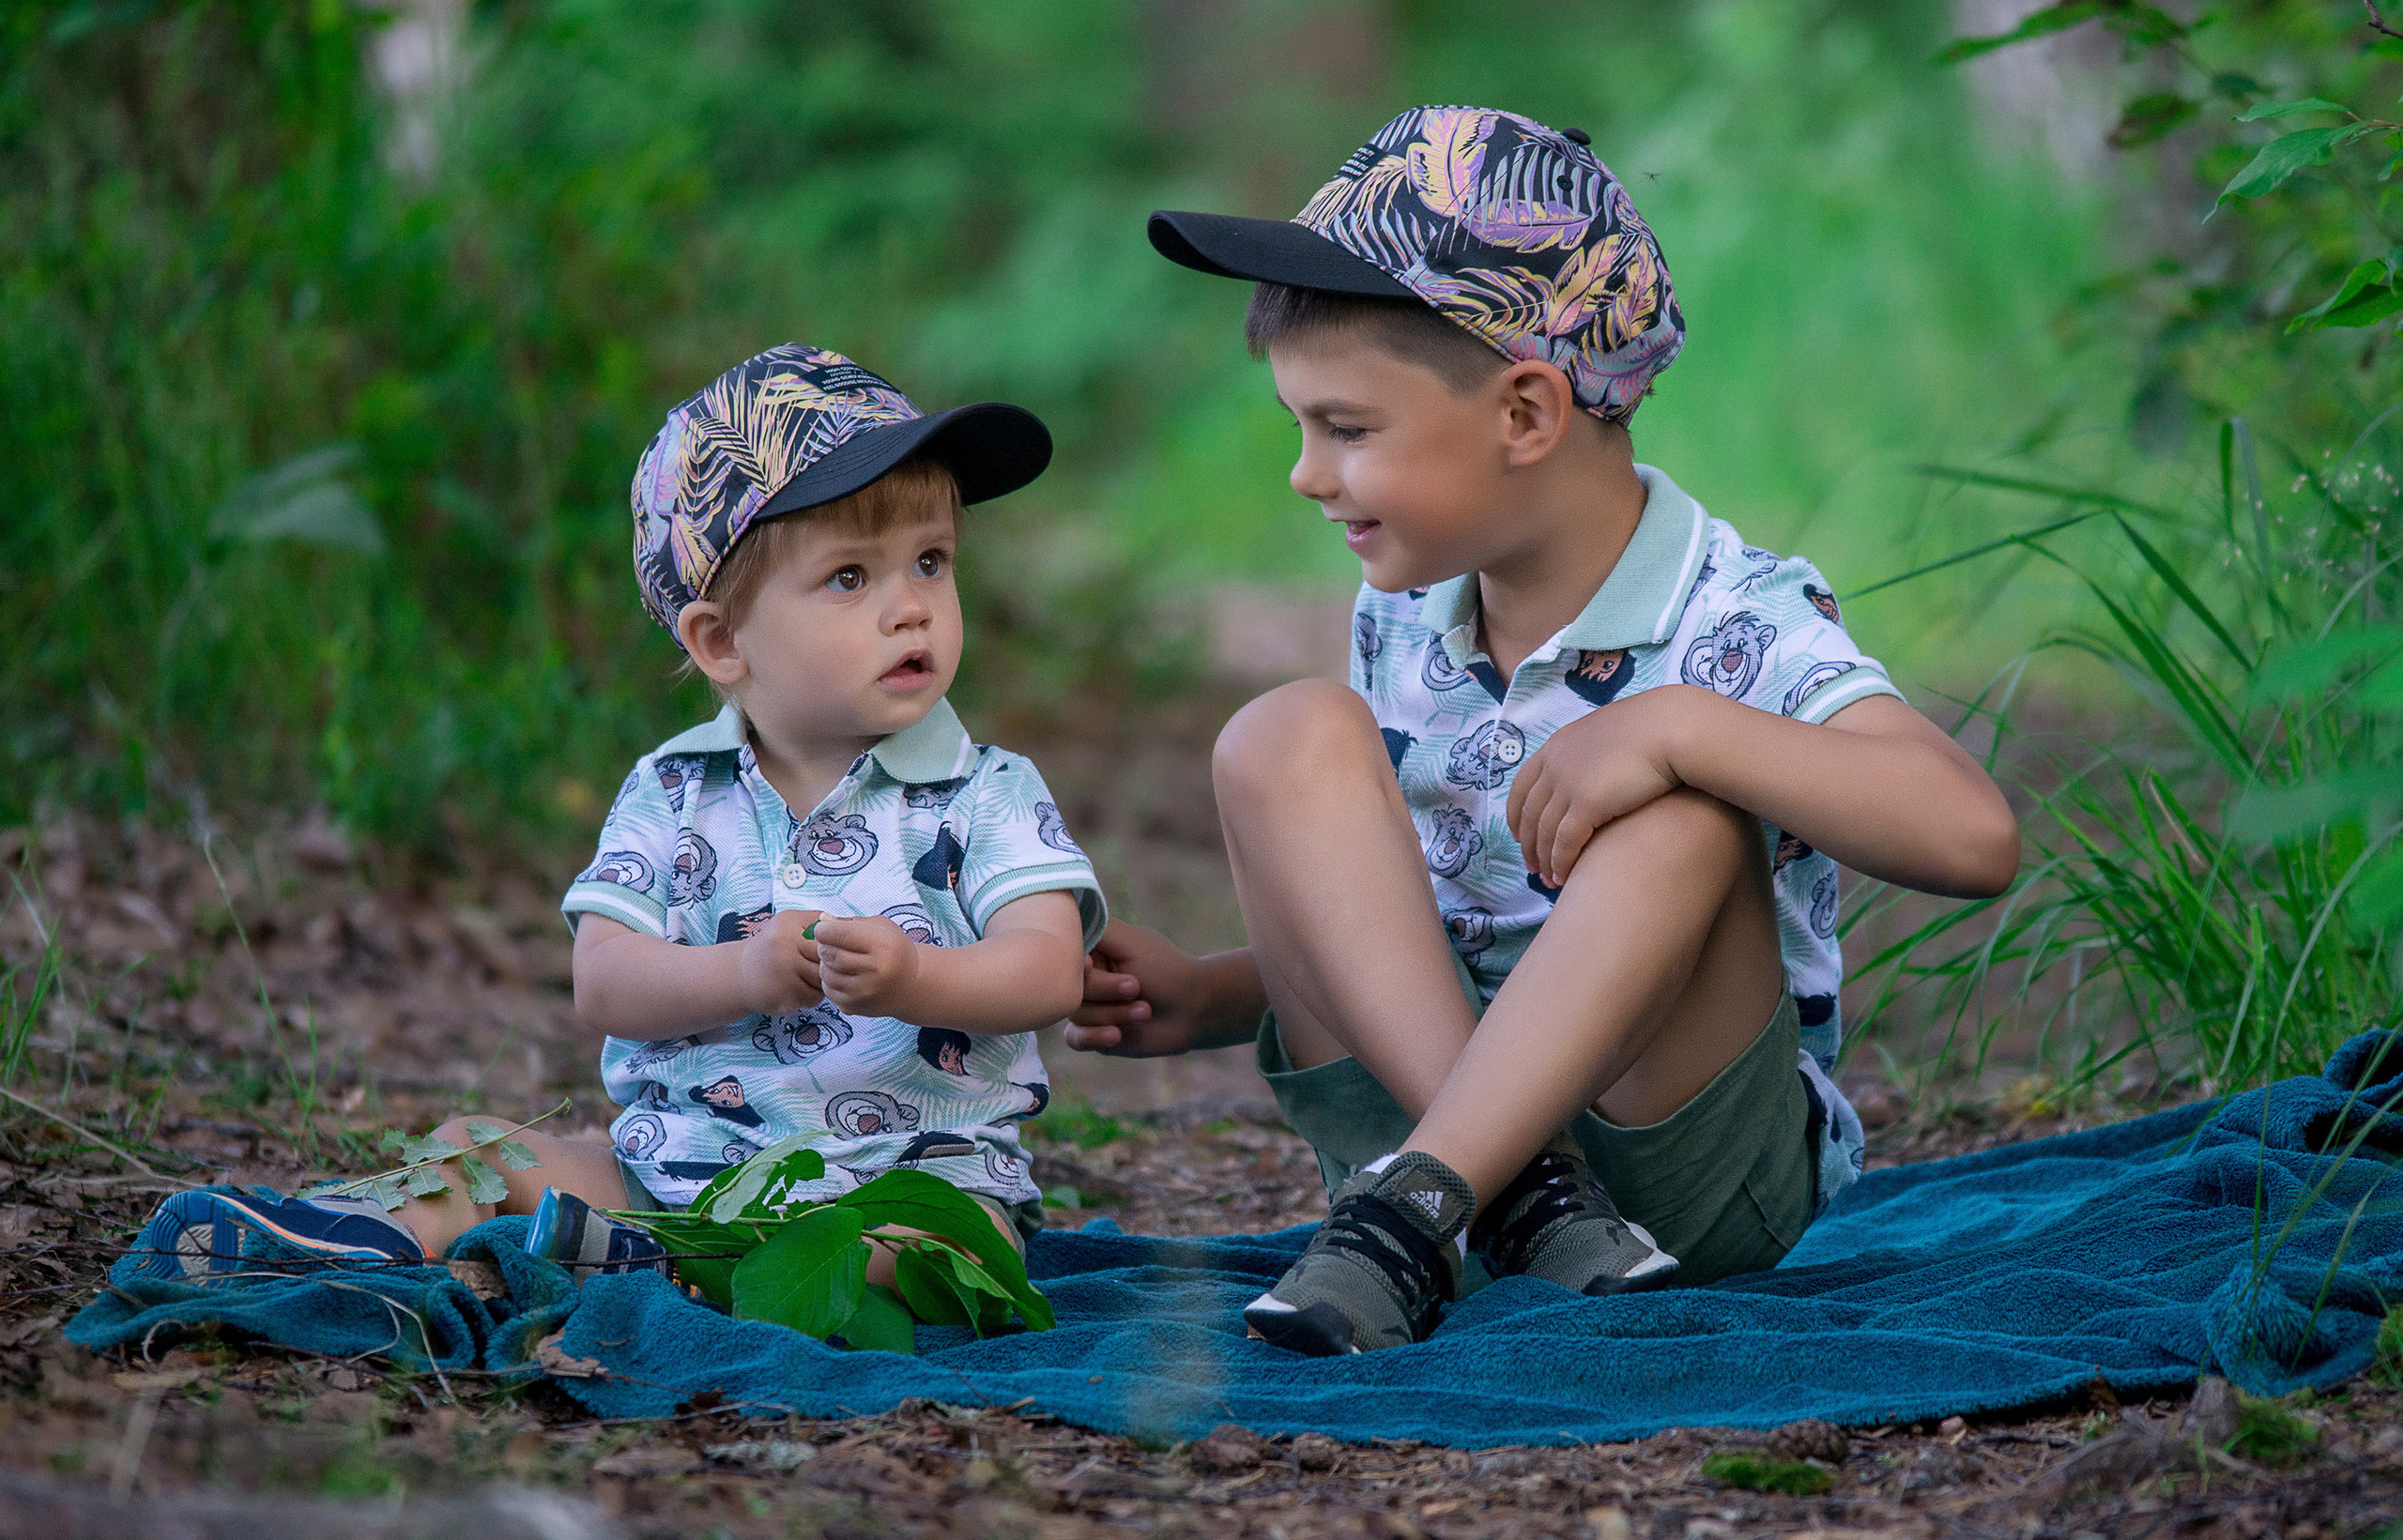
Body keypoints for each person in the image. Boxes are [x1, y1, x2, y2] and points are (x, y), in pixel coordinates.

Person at [1067, 106, 2019, 1355]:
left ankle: (1432, 1196)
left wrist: (1683, 726)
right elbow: (1443, 918)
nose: (1305, 475)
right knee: (1282, 732)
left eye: (1346, 430)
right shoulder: (1403, 610)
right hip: (1440, 1176)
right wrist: (1206, 993)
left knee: (1681, 813)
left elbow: (1974, 835)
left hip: (1680, 1167)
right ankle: (1486, 1189)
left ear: (1525, 415)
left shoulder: (1732, 618)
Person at [130, 345, 1104, 1290]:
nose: (911, 608)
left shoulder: (983, 790)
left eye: (931, 562)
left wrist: (918, 976)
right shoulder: (675, 792)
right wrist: (742, 970)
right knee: (481, 1148)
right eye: (852, 577)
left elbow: (1049, 965)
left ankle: (655, 1264)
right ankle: (343, 1237)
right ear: (721, 642)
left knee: (961, 1250)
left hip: (920, 1179)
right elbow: (604, 977)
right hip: (679, 1174)